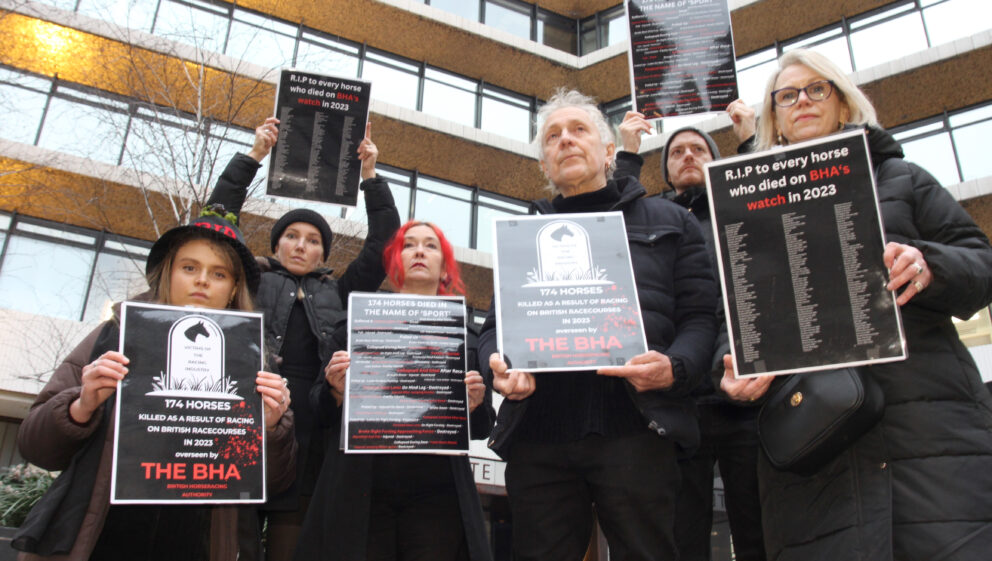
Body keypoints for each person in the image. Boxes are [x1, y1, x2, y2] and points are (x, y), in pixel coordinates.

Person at [721, 48, 992, 561]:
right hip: (814, 446)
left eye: (816, 89)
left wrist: (929, 264)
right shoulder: (745, 205)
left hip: (930, 435)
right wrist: (730, 365)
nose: (801, 101)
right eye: (786, 95)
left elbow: (981, 265)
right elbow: (729, 310)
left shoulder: (904, 180)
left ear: (844, 104)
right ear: (774, 119)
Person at [478, 89, 718, 561]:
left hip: (637, 428)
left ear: (610, 151)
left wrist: (675, 368)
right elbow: (493, 329)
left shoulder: (672, 221)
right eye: (552, 137)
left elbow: (700, 318)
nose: (565, 141)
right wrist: (498, 369)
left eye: (579, 130)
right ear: (544, 164)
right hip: (539, 436)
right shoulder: (521, 234)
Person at [12, 209, 296, 561]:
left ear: (233, 288)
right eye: (189, 267)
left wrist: (267, 430)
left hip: (201, 541)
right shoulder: (113, 336)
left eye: (219, 273)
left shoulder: (255, 363)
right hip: (101, 538)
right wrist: (81, 407)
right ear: (168, 273)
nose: (202, 281)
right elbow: (35, 447)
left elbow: (275, 483)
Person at [206, 118, 401, 560]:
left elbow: (385, 242)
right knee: (229, 545)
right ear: (276, 245)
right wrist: (255, 154)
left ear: (323, 254)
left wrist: (369, 174)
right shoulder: (247, 280)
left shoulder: (340, 292)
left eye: (312, 240)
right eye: (291, 236)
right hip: (245, 430)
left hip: (312, 443)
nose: (300, 245)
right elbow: (217, 220)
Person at [293, 220, 495, 561]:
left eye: (431, 246)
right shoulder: (355, 323)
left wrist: (474, 405)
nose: (419, 251)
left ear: (445, 265)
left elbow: (483, 426)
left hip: (438, 493)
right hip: (362, 488)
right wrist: (335, 390)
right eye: (408, 244)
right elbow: (317, 409)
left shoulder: (467, 337)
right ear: (393, 262)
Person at [614, 114, 766, 561]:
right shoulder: (658, 219)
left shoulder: (737, 209)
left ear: (715, 161)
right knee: (682, 533)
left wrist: (750, 138)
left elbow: (772, 196)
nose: (686, 156)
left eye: (698, 149)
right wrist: (627, 152)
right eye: (676, 152)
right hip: (680, 397)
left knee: (756, 523)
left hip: (744, 391)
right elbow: (612, 217)